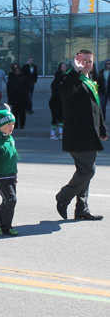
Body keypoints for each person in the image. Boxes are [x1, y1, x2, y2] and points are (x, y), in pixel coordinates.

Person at [55, 50, 108, 221]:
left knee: (84, 171)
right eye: (82, 60)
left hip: (90, 134)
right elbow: (64, 90)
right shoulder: (71, 78)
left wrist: (102, 129)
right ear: (75, 62)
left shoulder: (91, 81)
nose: (86, 63)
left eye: (89, 61)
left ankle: (82, 209)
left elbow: (96, 107)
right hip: (78, 135)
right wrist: (75, 71)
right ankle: (63, 197)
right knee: (87, 171)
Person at [0, 105, 20, 236]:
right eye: (8, 124)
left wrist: (15, 174)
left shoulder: (9, 138)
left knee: (10, 201)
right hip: (1, 177)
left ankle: (6, 226)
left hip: (11, 175)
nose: (11, 127)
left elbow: (12, 158)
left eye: (13, 124)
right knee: (11, 200)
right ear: (0, 124)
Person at [49, 62, 67, 140]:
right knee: (56, 118)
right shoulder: (58, 84)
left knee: (60, 118)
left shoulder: (55, 83)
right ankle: (53, 135)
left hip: (57, 102)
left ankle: (60, 134)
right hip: (56, 102)